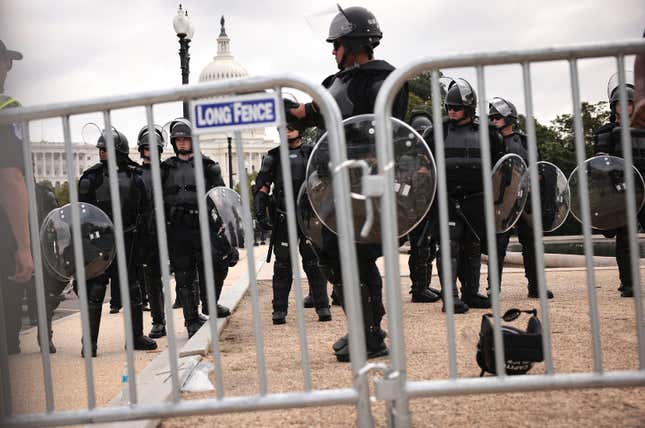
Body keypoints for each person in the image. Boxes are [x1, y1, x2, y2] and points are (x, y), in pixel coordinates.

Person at [286, 5, 408, 362]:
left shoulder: (385, 81)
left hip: (366, 183)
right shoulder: (334, 85)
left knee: (358, 256)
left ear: (354, 43)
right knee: (336, 257)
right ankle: (362, 328)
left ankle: (371, 336)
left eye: (337, 44)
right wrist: (282, 106)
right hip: (335, 185)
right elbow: (310, 114)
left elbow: (383, 129)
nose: (333, 51)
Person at [423, 78, 504, 314]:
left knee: (473, 247)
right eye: (449, 107)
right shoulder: (436, 131)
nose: (452, 111)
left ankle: (471, 292)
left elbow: (502, 168)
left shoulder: (489, 133)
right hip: (447, 198)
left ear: (469, 107)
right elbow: (422, 164)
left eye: (457, 107)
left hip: (477, 199)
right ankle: (451, 296)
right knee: (449, 245)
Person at [78, 127, 157, 356]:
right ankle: (89, 343)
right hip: (100, 241)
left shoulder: (136, 177)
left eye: (107, 149)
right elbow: (82, 215)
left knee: (133, 288)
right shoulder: (90, 179)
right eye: (101, 149)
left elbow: (146, 210)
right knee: (96, 289)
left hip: (129, 239)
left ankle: (135, 338)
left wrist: (146, 242)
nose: (103, 153)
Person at [162, 118, 237, 338]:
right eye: (179, 140)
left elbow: (223, 199)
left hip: (204, 226)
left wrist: (227, 230)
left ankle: (210, 305)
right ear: (174, 143)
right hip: (178, 228)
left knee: (214, 267)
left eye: (186, 139)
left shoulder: (209, 166)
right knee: (184, 274)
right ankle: (191, 320)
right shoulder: (165, 169)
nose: (182, 143)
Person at [254, 120, 331, 325]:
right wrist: (260, 212)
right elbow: (262, 186)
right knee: (283, 265)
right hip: (283, 215)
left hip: (309, 216)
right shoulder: (273, 157)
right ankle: (279, 310)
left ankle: (322, 305)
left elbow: (327, 180)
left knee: (314, 262)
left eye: (291, 126)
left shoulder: (312, 153)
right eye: (284, 128)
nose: (287, 131)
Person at [487, 97, 554, 299]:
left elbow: (539, 167)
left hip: (526, 198)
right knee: (498, 244)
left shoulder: (526, 141)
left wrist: (538, 178)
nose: (493, 120)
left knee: (532, 243)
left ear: (509, 118)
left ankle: (535, 286)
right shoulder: (489, 141)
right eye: (491, 117)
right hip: (501, 199)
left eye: (497, 117)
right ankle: (493, 289)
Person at [594, 73, 643, 298]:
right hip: (622, 192)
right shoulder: (605, 133)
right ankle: (628, 283)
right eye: (620, 103)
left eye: (629, 102)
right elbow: (600, 165)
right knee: (624, 240)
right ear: (613, 106)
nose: (625, 106)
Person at [0, 40, 33, 354]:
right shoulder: (7, 108)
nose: (8, 69)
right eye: (5, 61)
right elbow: (10, 177)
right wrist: (24, 245)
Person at [406, 108, 440, 303]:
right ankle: (418, 288)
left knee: (430, 247)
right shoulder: (406, 159)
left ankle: (425, 284)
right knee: (419, 248)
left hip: (431, 207)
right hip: (415, 210)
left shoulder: (433, 158)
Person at [136, 125, 167, 338]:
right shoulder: (135, 174)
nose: (150, 150)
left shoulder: (168, 171)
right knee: (152, 279)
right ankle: (158, 321)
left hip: (170, 228)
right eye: (147, 147)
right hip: (146, 233)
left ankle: (192, 316)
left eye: (154, 147)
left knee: (186, 273)